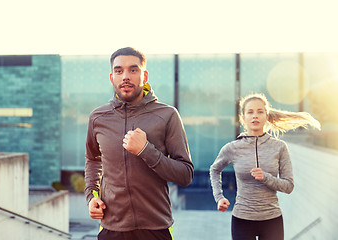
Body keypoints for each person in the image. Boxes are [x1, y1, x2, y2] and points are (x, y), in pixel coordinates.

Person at [84, 47, 194, 240]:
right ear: (112, 77)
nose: (125, 76)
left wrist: (146, 150)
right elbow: (93, 159)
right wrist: (92, 196)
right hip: (111, 228)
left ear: (145, 75)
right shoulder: (98, 117)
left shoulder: (167, 115)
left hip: (155, 228)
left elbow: (185, 174)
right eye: (119, 71)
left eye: (133, 70)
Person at [209, 93, 321, 240]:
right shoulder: (232, 148)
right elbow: (215, 169)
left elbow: (289, 186)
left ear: (266, 116)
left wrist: (266, 177)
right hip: (242, 219)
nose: (255, 116)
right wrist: (219, 197)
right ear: (243, 118)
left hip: (272, 220)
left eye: (260, 111)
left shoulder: (279, 147)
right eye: (250, 112)